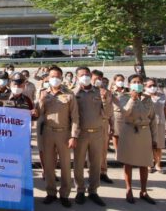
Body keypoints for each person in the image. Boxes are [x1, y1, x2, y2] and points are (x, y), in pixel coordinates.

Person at [37, 66, 78, 208]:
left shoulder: (69, 94)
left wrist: (73, 136)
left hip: (64, 133)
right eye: (52, 76)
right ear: (48, 77)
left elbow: (75, 117)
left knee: (66, 165)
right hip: (48, 132)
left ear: (61, 77)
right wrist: (41, 102)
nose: (55, 79)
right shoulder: (43, 93)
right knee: (48, 165)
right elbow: (38, 114)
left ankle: (65, 194)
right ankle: (51, 192)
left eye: (57, 76)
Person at [72, 66, 111, 207]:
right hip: (81, 133)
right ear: (77, 77)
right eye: (82, 75)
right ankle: (80, 190)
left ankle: (93, 191)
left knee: (95, 163)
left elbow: (107, 114)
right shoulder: (73, 93)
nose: (85, 77)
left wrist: (105, 99)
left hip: (97, 133)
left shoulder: (99, 92)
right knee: (78, 163)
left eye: (87, 74)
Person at [116, 74, 157, 204]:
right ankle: (129, 189)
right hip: (129, 130)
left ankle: (143, 191)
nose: (137, 84)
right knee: (128, 162)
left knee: (144, 163)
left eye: (139, 82)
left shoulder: (147, 98)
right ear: (129, 84)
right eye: (134, 82)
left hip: (144, 132)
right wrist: (133, 99)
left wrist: (154, 137)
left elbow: (152, 119)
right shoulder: (123, 97)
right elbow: (125, 113)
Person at [146, 78, 166, 174]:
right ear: (145, 87)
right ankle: (149, 164)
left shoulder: (162, 96)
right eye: (149, 86)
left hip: (160, 123)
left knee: (159, 145)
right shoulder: (143, 96)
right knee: (148, 146)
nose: (152, 87)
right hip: (147, 124)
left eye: (154, 85)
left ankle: (157, 164)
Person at [91, 70, 113, 184]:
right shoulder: (86, 91)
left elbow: (109, 112)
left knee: (103, 150)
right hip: (89, 124)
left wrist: (104, 99)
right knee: (90, 152)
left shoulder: (107, 92)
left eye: (99, 79)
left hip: (103, 124)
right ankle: (91, 173)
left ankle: (103, 172)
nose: (97, 81)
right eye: (95, 79)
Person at [110, 74, 129, 151]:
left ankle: (124, 150)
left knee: (125, 134)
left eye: (122, 80)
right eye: (119, 80)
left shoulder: (127, 90)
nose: (121, 82)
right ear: (115, 81)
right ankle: (117, 150)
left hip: (126, 114)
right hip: (116, 114)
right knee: (116, 134)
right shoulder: (112, 91)